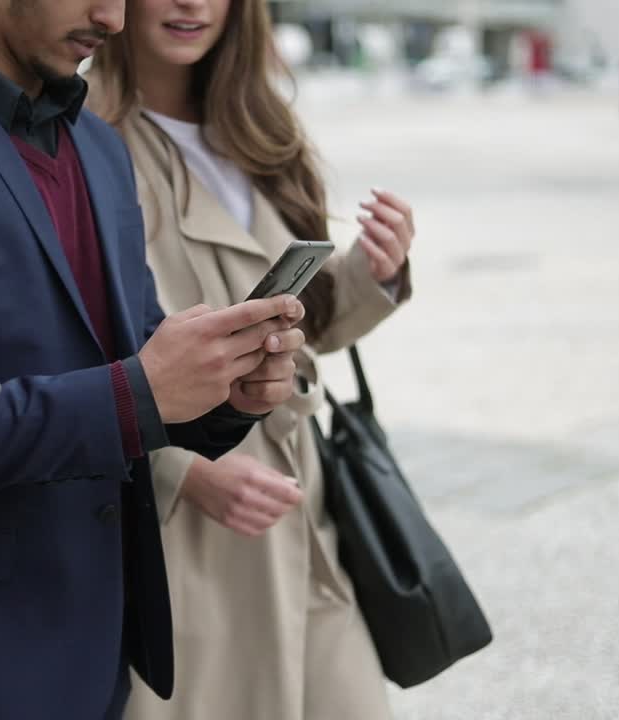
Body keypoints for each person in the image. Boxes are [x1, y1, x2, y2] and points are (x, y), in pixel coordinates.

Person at [0, 1, 307, 718]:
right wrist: (141, 392)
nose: (112, 17)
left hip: (103, 650)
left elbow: (142, 370)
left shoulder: (100, 148)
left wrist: (232, 391)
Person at [89, 0, 416, 718]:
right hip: (189, 540)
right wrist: (185, 472)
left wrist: (374, 273)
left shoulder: (260, 133)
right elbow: (70, 352)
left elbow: (301, 327)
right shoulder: (89, 139)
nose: (190, 5)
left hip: (303, 513)